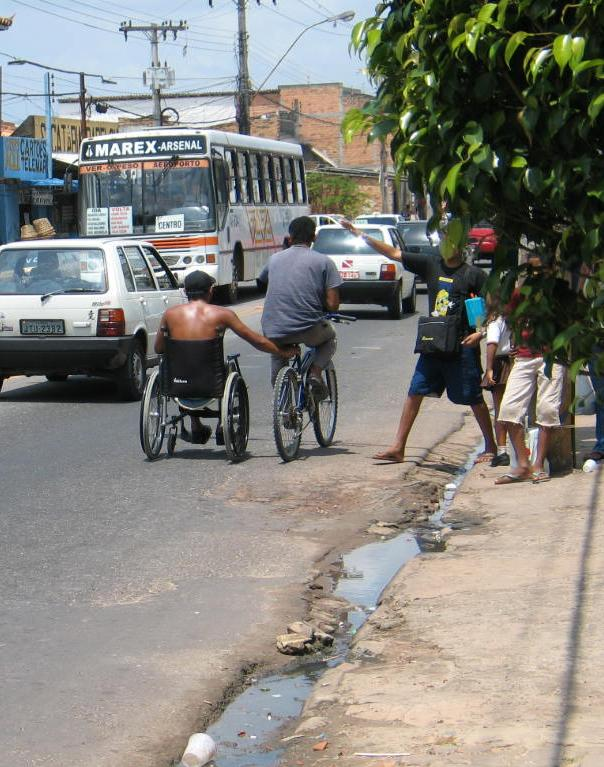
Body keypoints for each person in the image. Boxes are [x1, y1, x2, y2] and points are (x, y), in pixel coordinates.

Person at [341, 219, 497, 464]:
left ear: (462, 247)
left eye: (453, 241)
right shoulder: (430, 264)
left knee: (474, 397)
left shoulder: (473, 275)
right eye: (445, 239)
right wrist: (360, 234)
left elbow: (490, 306)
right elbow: (393, 253)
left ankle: (491, 446)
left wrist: (481, 331)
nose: (449, 245)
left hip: (461, 347)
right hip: (433, 344)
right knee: (415, 392)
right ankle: (398, 446)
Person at [155, 270, 294, 443]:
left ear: (185, 292)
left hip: (179, 385)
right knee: (229, 366)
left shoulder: (170, 314)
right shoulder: (223, 314)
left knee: (182, 364)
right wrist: (282, 352)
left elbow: (159, 348)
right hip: (212, 383)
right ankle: (222, 424)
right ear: (210, 291)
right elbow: (256, 340)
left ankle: (195, 424)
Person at [494, 275, 568, 485]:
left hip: (551, 356)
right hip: (525, 356)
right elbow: (508, 315)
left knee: (547, 410)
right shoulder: (520, 293)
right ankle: (524, 465)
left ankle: (538, 464)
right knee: (508, 410)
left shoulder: (558, 293)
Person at [258, 216, 342, 398]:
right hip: (309, 329)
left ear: (289, 238)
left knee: (278, 355)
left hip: (274, 328)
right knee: (330, 337)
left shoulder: (274, 259)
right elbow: (333, 304)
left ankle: (283, 406)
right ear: (314, 237)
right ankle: (316, 373)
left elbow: (262, 281)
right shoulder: (324, 262)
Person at [481, 297, 514, 467]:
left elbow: (492, 344)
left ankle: (502, 451)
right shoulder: (511, 320)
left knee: (500, 409)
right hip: (512, 361)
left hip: (501, 363)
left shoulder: (495, 321)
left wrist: (489, 368)